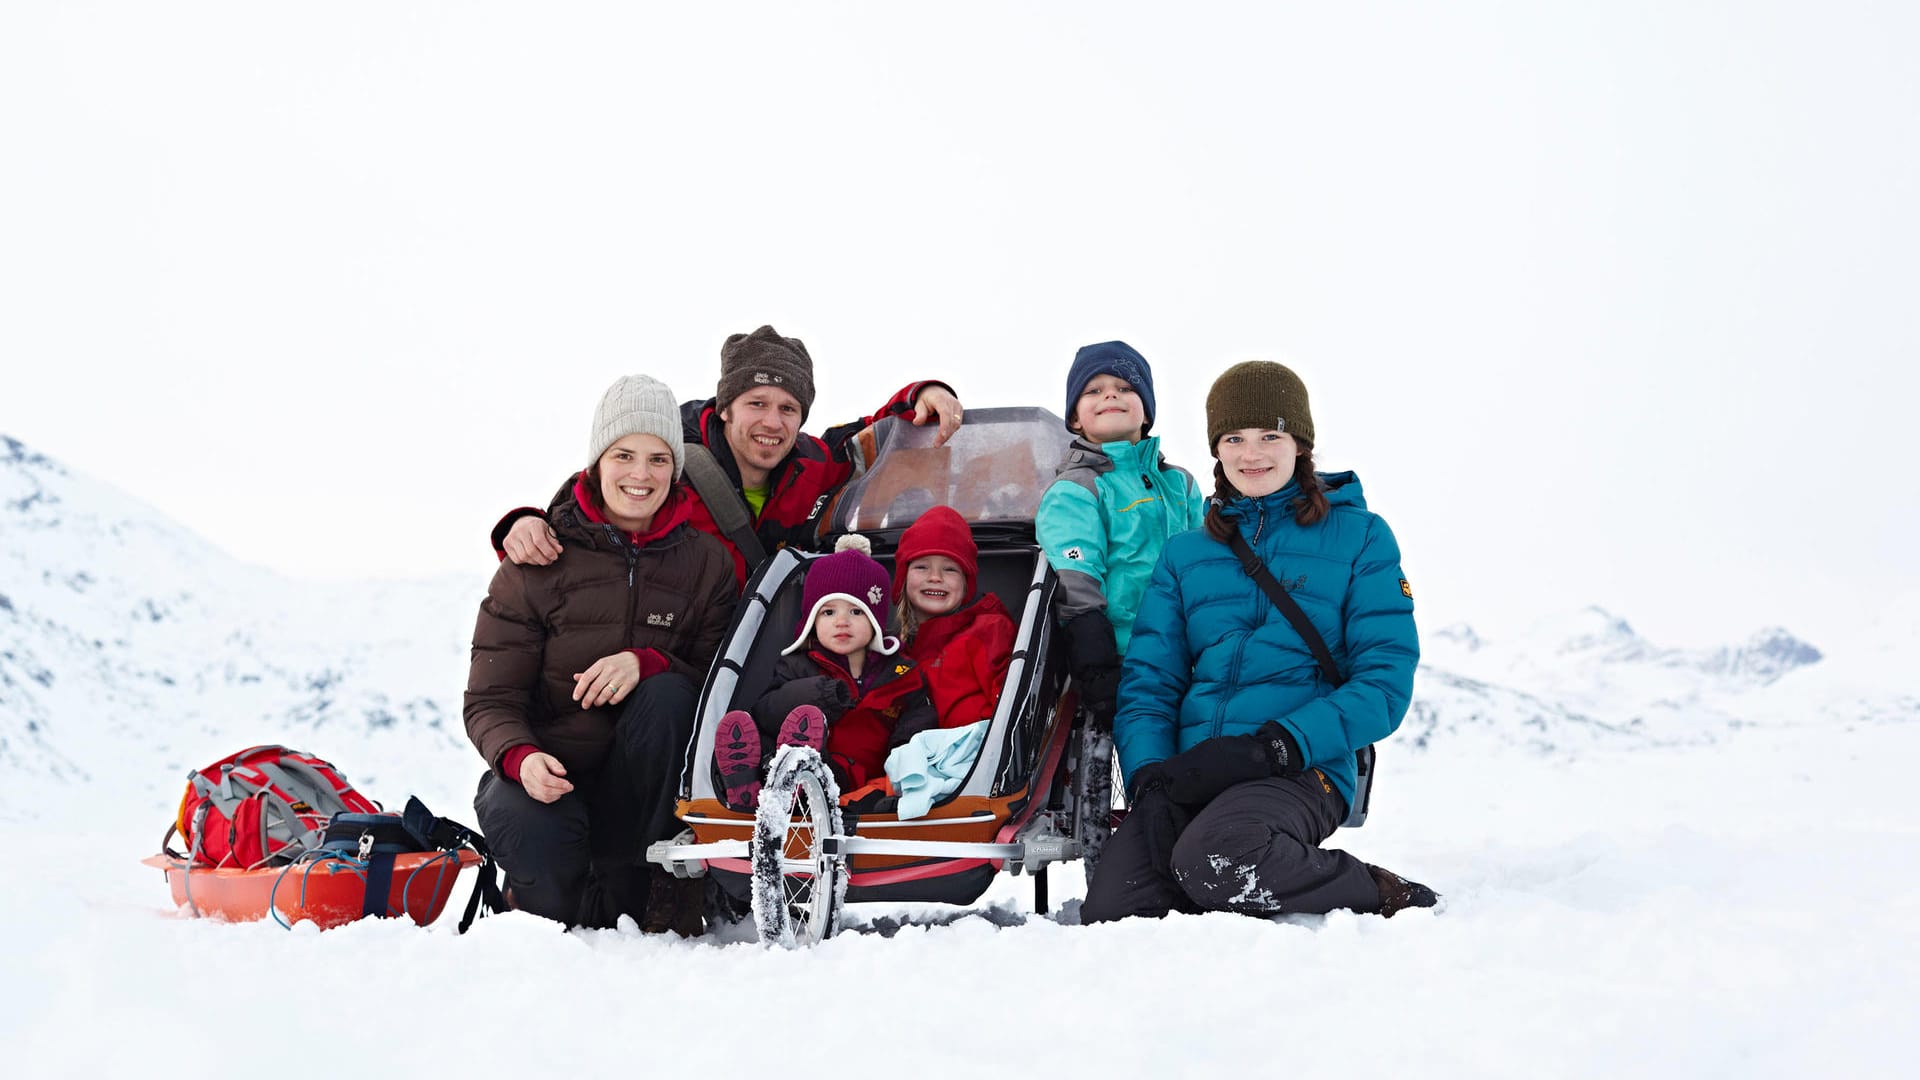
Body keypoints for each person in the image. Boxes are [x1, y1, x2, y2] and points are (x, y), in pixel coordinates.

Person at [1080, 360, 1438, 924]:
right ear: (1216, 450)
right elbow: (1151, 681)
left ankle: (1375, 890)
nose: (1252, 454)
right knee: (1116, 912)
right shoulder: (1185, 554)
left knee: (1216, 861)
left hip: (1301, 767)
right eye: (1234, 438)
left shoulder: (1362, 537)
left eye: (1270, 435)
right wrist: (1150, 771)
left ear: (1300, 443)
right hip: (1193, 770)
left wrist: (1274, 747)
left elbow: (1384, 684)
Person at [465, 374, 739, 934]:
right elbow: (490, 699)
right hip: (552, 771)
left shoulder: (708, 562)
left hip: (645, 790)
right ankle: (553, 895)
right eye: (624, 455)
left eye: (658, 459)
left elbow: (721, 682)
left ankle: (642, 886)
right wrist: (519, 758)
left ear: (676, 468)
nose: (641, 475)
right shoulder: (539, 557)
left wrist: (650, 662)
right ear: (597, 460)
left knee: (668, 696)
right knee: (539, 862)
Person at [496, 325, 965, 586]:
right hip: (666, 646)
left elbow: (867, 440)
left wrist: (923, 392)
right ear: (724, 408)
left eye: (788, 409)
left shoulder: (812, 465)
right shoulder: (666, 458)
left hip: (745, 649)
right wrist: (522, 524)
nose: (772, 422)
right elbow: (586, 502)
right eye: (756, 404)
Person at [1036, 341, 1205, 735]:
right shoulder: (1077, 490)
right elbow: (1077, 580)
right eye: (1093, 391)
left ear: (1146, 412)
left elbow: (1209, 560)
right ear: (1075, 419)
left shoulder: (1181, 484)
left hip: (1194, 650)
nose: (1111, 394)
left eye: (1125, 388)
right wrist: (1096, 664)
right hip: (1127, 656)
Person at [713, 537, 936, 808]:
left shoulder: (901, 671)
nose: (842, 621)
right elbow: (766, 711)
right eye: (828, 612)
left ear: (875, 619)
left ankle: (796, 782)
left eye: (856, 611)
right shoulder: (798, 664)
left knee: (827, 768)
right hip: (806, 751)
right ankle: (749, 783)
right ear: (812, 621)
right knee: (763, 738)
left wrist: (902, 760)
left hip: (860, 775)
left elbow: (918, 719)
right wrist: (822, 693)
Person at [892, 505, 1016, 729]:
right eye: (922, 567)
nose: (935, 577)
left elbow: (1009, 705)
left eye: (950, 569)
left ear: (966, 582)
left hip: (973, 755)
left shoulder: (988, 630)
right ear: (903, 577)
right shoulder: (897, 650)